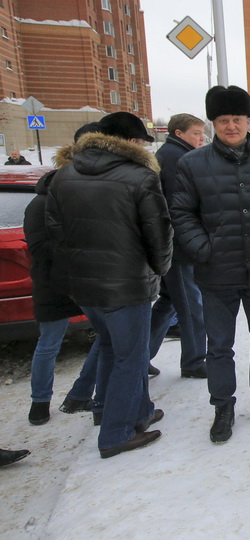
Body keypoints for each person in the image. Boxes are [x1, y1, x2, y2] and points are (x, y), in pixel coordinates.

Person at [45, 111, 171, 458]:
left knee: (113, 347)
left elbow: (55, 231)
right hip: (126, 285)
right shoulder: (139, 177)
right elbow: (158, 234)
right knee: (131, 356)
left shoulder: (64, 174)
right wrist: (159, 270)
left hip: (83, 286)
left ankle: (130, 412)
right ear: (131, 142)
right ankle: (115, 433)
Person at [172, 86, 250, 444]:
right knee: (220, 345)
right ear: (214, 123)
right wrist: (203, 249)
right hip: (216, 272)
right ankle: (223, 405)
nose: (231, 126)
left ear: (248, 120)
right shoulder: (192, 164)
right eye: (223, 120)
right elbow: (180, 212)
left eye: (237, 119)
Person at [23, 124, 103, 426]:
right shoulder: (40, 205)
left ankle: (81, 391)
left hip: (80, 282)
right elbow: (40, 248)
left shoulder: (72, 199)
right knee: (49, 344)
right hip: (54, 284)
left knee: (106, 335)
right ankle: (40, 402)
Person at [148, 113, 208, 379]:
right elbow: (179, 206)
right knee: (191, 304)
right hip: (179, 247)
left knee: (169, 300)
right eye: (196, 132)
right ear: (179, 133)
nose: (201, 137)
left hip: (170, 244)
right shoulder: (176, 158)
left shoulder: (170, 154)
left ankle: (141, 354)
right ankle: (194, 361)